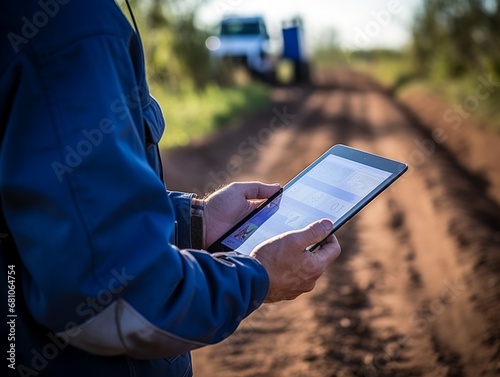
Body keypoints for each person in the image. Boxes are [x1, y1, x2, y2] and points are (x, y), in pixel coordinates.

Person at [0, 1, 341, 376]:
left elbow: (46, 213)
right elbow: (118, 296)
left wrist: (196, 220)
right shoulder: (75, 26)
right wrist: (258, 276)